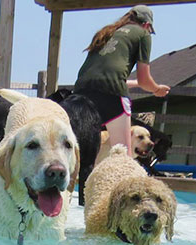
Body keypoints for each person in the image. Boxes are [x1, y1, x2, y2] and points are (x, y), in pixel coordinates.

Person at [72, 5, 170, 158]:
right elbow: (144, 79)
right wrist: (156, 90)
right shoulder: (143, 34)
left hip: (81, 91)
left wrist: (136, 84)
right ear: (147, 25)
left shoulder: (105, 32)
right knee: (123, 154)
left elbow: (104, 77)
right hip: (112, 96)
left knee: (79, 152)